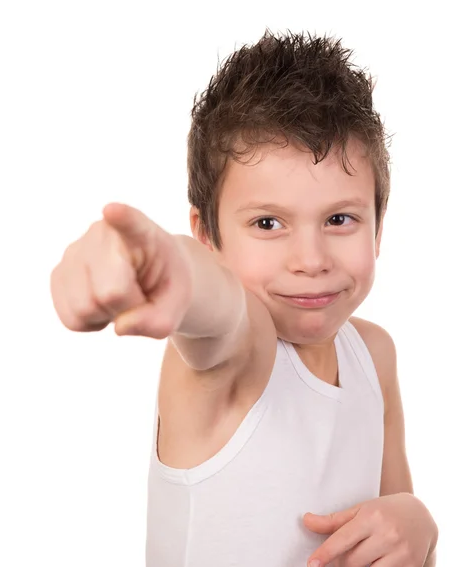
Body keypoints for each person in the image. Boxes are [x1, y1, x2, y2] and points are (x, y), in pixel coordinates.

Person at [50, 30, 438, 567]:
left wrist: (419, 527)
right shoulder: (235, 357)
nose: (310, 258)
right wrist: (168, 267)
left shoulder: (374, 357)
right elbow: (217, 307)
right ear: (208, 235)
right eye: (268, 222)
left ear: (378, 227)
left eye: (340, 219)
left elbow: (396, 543)